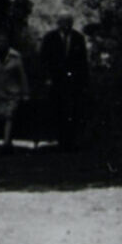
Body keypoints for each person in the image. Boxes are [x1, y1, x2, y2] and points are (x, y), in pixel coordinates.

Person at [37, 16, 91, 150]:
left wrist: (84, 81)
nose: (66, 25)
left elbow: (83, 61)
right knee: (58, 109)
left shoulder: (78, 38)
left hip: (73, 80)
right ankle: (60, 139)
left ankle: (71, 140)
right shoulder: (50, 38)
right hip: (56, 79)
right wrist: (46, 77)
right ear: (59, 23)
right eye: (64, 22)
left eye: (69, 23)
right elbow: (43, 59)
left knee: (73, 110)